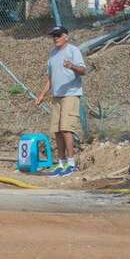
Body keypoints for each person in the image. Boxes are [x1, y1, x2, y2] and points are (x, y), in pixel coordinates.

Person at [35, 25, 87, 177]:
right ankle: (61, 163)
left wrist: (71, 66)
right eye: (54, 36)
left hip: (71, 94)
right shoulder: (52, 54)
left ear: (66, 37)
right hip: (57, 96)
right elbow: (50, 79)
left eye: (58, 35)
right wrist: (41, 95)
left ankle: (71, 164)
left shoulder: (73, 50)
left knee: (66, 128)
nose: (55, 38)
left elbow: (83, 70)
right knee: (57, 131)